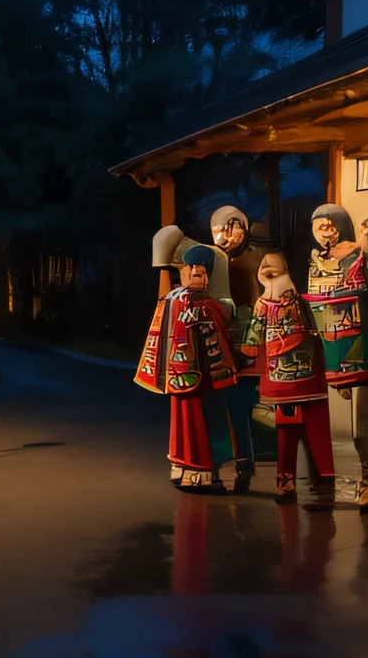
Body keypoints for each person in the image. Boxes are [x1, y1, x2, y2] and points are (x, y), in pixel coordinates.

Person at [304, 204, 368, 511]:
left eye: (330, 225)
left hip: (364, 348)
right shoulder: (316, 263)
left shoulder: (360, 256)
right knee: (336, 429)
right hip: (331, 350)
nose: (324, 232)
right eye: (318, 227)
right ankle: (337, 482)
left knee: (362, 426)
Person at [136, 246, 245, 490]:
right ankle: (183, 464)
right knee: (184, 421)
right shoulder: (177, 301)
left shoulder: (206, 304)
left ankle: (201, 470)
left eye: (200, 271)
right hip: (181, 373)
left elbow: (220, 335)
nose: (196, 275)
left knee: (204, 421)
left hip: (203, 376)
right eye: (191, 270)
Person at [248, 252, 336, 507]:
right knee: (303, 431)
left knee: (300, 432)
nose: (269, 275)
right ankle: (318, 485)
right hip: (299, 381)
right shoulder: (294, 302)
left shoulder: (271, 304)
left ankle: (296, 484)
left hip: (292, 381)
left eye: (273, 272)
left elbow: (251, 345)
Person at [208, 208, 263, 494]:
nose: (227, 236)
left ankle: (244, 465)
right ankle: (213, 466)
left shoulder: (258, 258)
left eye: (234, 228)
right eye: (220, 229)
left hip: (246, 342)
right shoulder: (208, 260)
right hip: (214, 342)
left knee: (241, 409)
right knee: (215, 409)